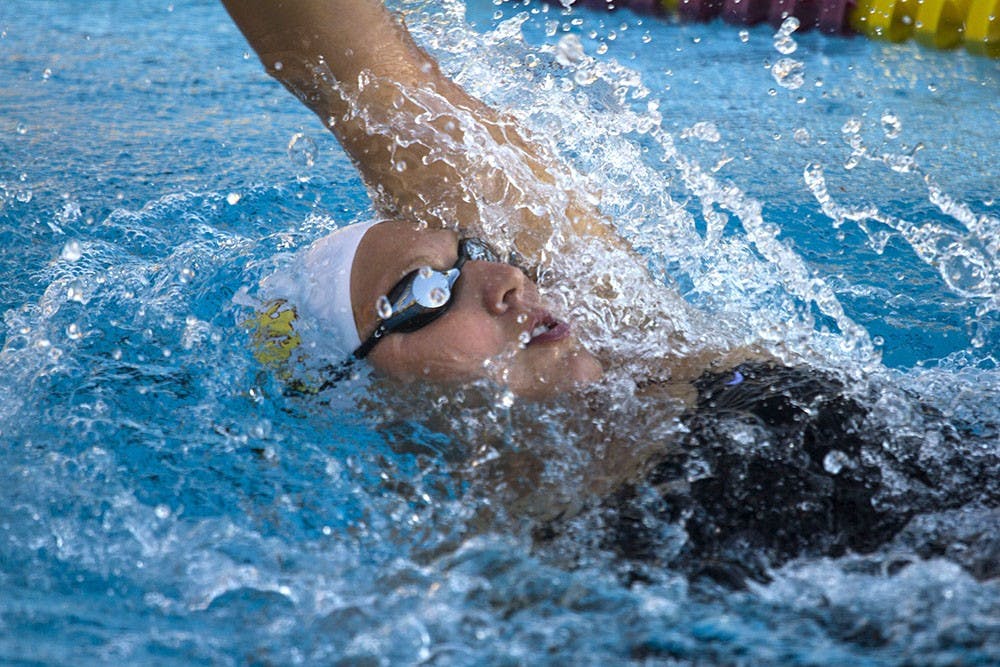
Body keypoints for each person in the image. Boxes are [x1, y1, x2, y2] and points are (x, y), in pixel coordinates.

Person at [221, 0, 998, 585]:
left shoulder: (653, 345)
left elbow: (367, 78)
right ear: (364, 405)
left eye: (476, 251)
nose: (505, 279)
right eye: (425, 290)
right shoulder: (498, 583)